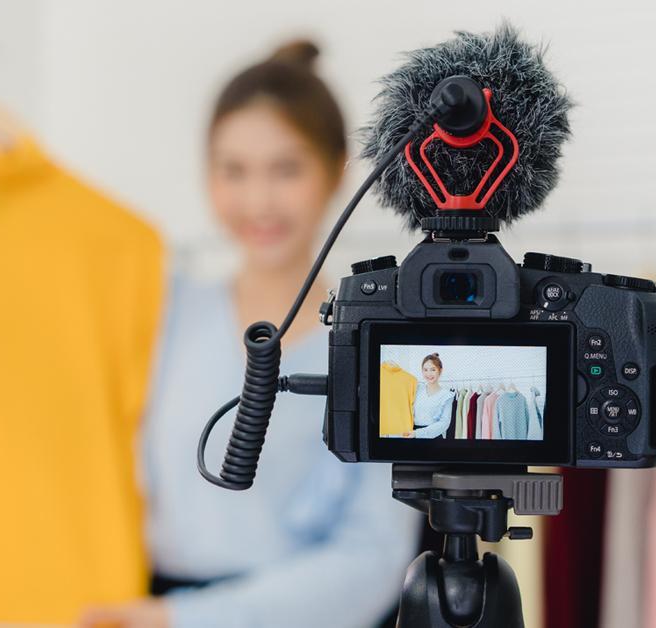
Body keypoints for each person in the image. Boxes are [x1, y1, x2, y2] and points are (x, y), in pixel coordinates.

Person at [80, 40, 417, 628]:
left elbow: (374, 556)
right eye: (233, 170)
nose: (258, 201)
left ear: (337, 169)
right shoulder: (163, 309)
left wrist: (182, 620)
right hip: (146, 605)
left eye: (285, 169)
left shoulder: (379, 346)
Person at [405, 353, 456, 439]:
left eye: (433, 370)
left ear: (440, 370)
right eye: (425, 370)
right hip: (412, 434)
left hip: (434, 437)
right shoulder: (417, 389)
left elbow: (444, 423)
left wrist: (418, 433)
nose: (429, 374)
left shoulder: (447, 395)